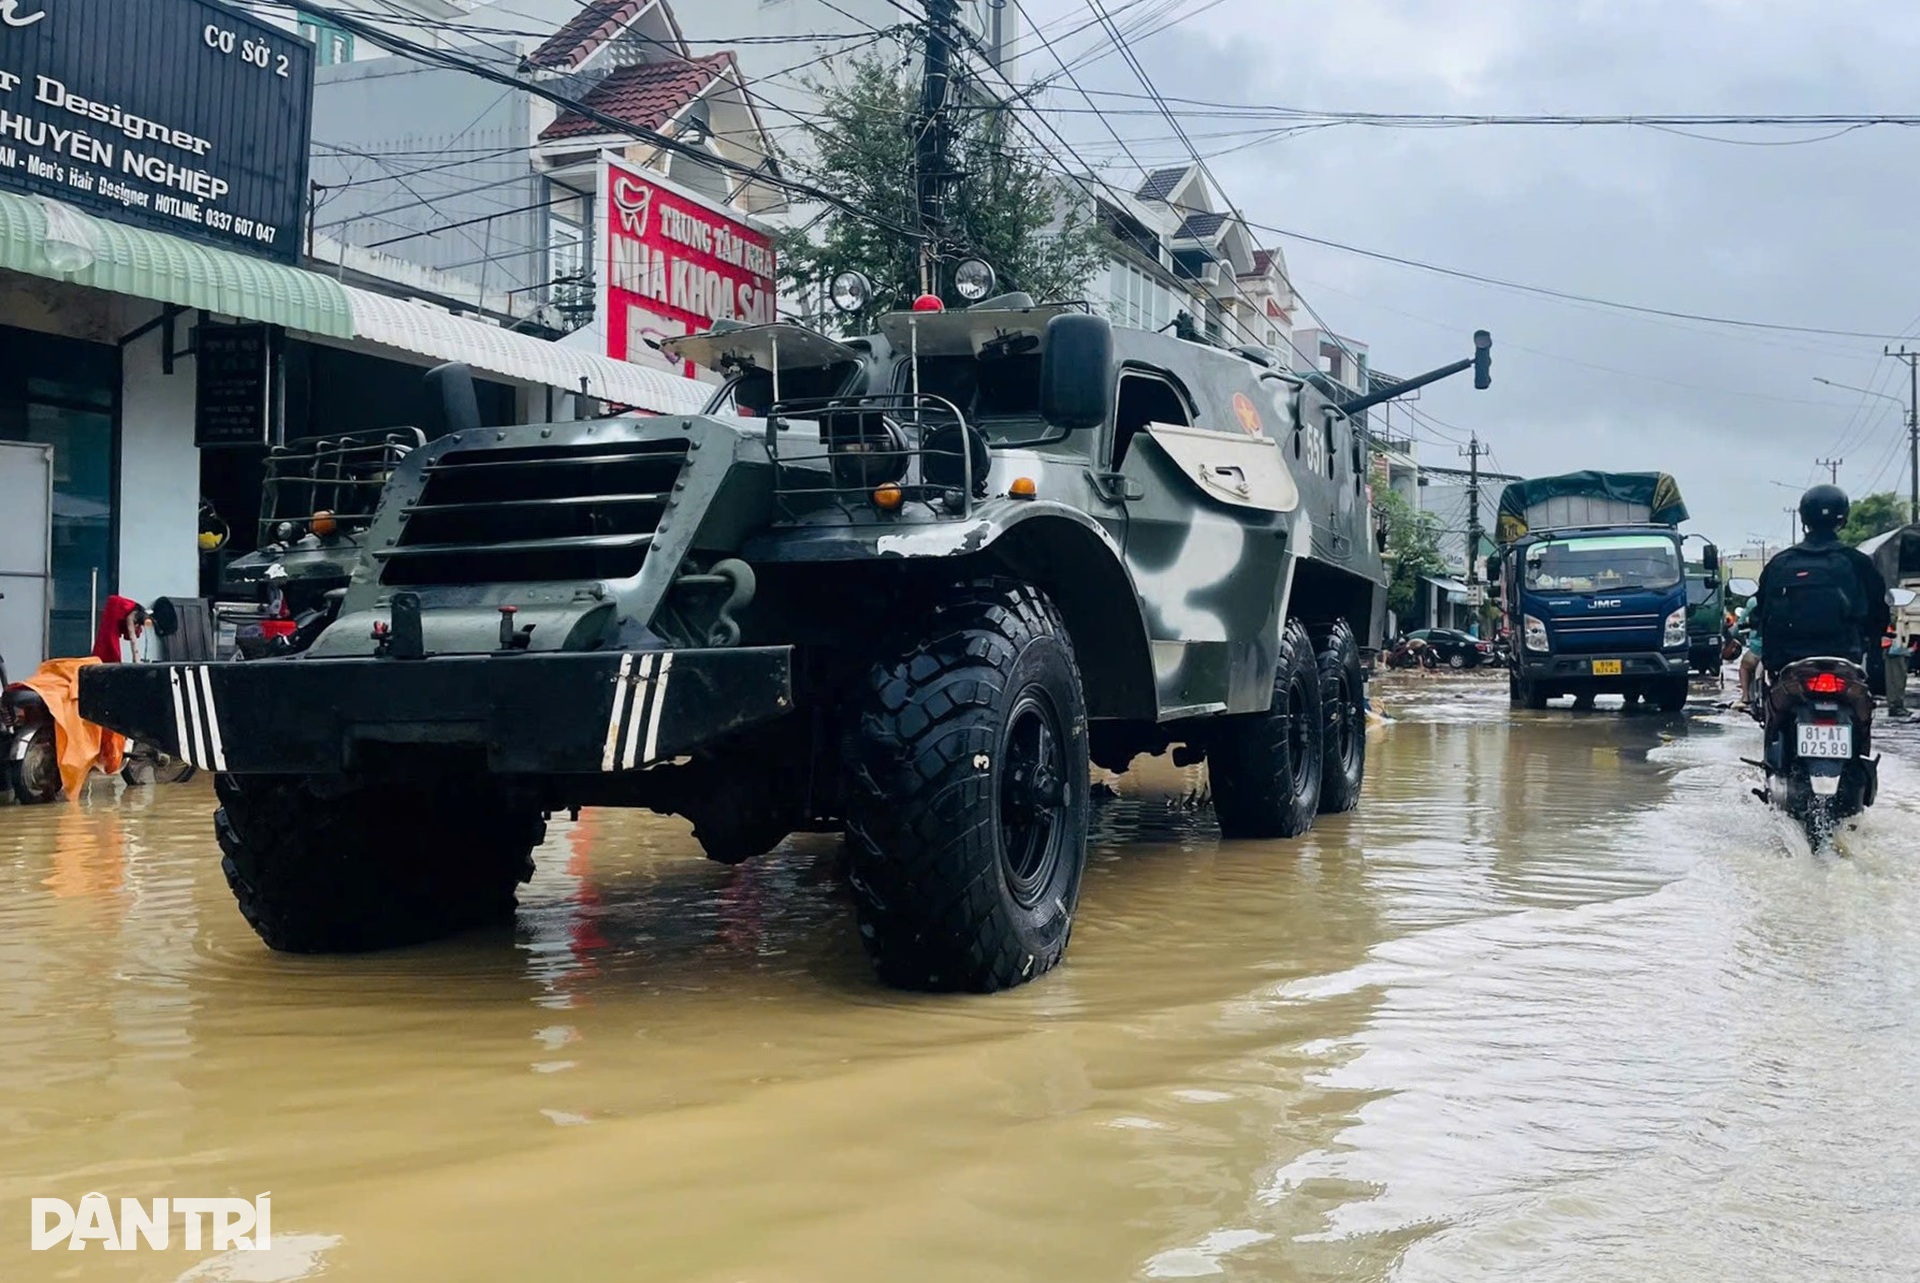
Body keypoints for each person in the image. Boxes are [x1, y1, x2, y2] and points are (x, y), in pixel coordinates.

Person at [1754, 485, 1890, 688]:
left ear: (1804, 518)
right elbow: (1878, 607)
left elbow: (1761, 608)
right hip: (1845, 654)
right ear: (1843, 518)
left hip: (1787, 658)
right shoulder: (1857, 561)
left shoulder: (1780, 563)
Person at [1889, 632, 1914, 718]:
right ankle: (1895, 706)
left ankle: (1897, 706)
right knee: (1896, 679)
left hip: (1900, 646)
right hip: (1895, 647)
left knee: (1900, 679)